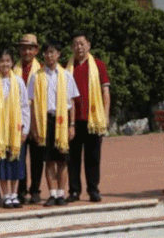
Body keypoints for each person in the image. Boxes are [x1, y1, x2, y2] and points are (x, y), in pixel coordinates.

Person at [28, 41, 78, 206]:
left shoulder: (66, 75)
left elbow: (71, 102)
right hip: (45, 121)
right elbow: (32, 103)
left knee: (62, 160)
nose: (50, 56)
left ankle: (61, 194)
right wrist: (34, 126)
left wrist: (72, 125)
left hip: (62, 121)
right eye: (47, 53)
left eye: (53, 52)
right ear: (43, 55)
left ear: (59, 55)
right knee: (48, 160)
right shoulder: (36, 76)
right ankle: (52, 193)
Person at [67, 32, 109, 203]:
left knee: (93, 157)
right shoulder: (67, 67)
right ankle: (74, 190)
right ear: (72, 47)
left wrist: (106, 115)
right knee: (73, 158)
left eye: (82, 43)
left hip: (93, 119)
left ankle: (93, 189)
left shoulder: (98, 65)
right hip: (73, 120)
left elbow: (105, 91)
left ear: (89, 45)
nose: (79, 47)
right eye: (76, 44)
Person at [0, 50, 30, 208]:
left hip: (16, 128)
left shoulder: (18, 82)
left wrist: (25, 129)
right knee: (2, 163)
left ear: (12, 63)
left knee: (16, 161)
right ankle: (5, 195)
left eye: (8, 61)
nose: (5, 64)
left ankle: (14, 193)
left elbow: (25, 106)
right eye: (2, 61)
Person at [14, 34, 44, 204]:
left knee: (37, 158)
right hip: (18, 119)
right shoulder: (13, 70)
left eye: (30, 48)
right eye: (23, 48)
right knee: (19, 156)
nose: (26, 51)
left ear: (36, 50)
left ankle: (35, 189)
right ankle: (21, 189)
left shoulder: (41, 71)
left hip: (38, 119)